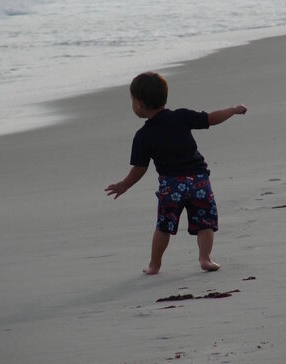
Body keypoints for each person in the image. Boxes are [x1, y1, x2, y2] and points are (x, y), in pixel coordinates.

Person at [105, 72, 247, 275]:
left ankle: (155, 265)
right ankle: (205, 258)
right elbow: (211, 119)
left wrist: (124, 184)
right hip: (199, 181)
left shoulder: (143, 136)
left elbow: (140, 168)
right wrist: (233, 110)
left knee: (163, 226)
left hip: (171, 186)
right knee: (205, 223)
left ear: (139, 104)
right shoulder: (181, 116)